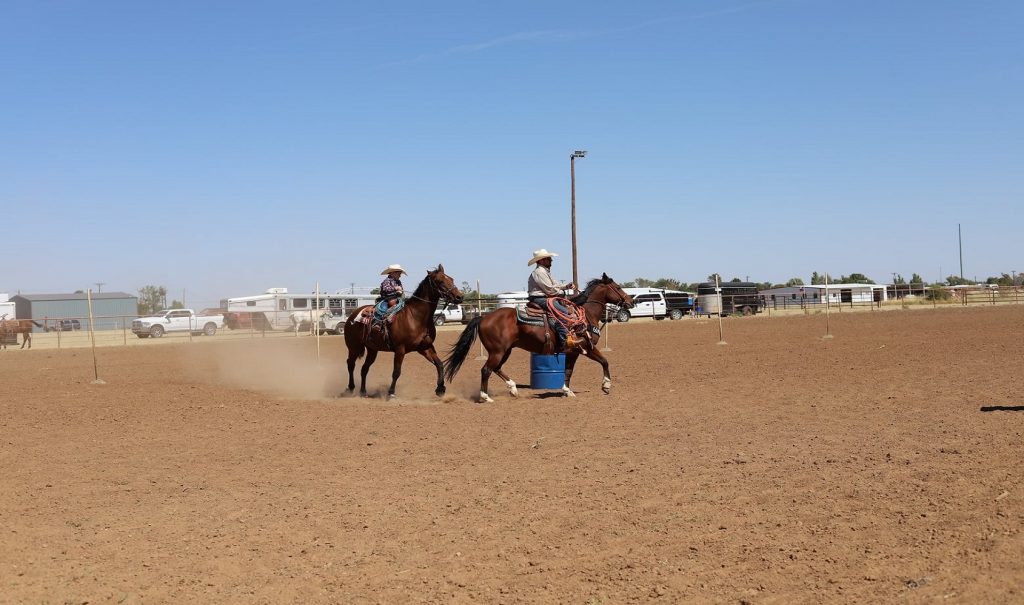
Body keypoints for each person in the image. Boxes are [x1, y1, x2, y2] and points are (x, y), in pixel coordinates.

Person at [526, 249, 577, 348]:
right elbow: (549, 290)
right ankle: (563, 342)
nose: (551, 260)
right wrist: (562, 293)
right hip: (539, 298)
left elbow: (554, 284)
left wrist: (566, 286)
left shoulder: (544, 271)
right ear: (541, 261)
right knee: (563, 312)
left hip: (543, 297)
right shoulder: (539, 272)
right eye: (548, 258)